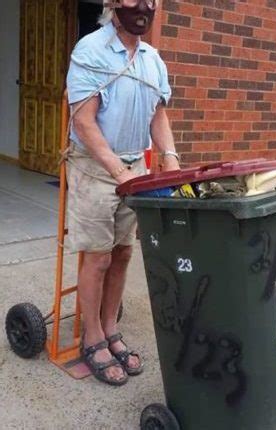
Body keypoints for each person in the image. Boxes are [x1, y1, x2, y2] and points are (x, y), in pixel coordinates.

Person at [66, 0, 179, 386]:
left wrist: (170, 157)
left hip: (135, 170)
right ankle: (91, 336)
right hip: (95, 170)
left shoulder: (152, 59)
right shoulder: (91, 50)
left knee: (124, 252)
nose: (144, 5)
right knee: (97, 259)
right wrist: (117, 171)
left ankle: (110, 326)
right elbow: (83, 121)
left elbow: (157, 115)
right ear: (113, 2)